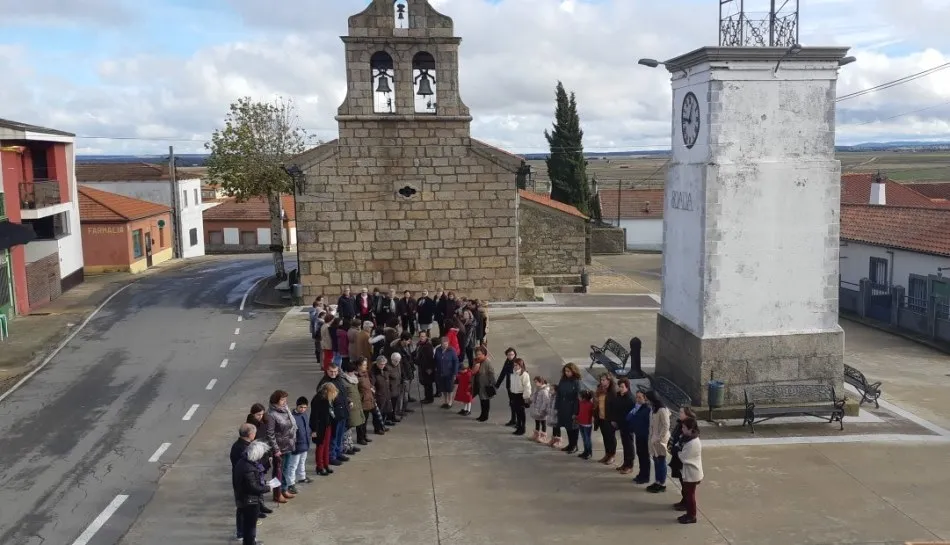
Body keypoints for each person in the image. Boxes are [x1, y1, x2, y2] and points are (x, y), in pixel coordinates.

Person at [233, 439, 274, 545]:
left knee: (248, 526)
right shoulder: (249, 468)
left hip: (244, 498)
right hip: (250, 501)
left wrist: (264, 482)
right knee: (250, 526)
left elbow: (251, 481)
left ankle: (250, 542)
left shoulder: (243, 462)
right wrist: (268, 488)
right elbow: (254, 487)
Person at [264, 390, 297, 503]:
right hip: (280, 447)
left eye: (285, 399)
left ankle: (284, 489)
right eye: (282, 399)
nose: (284, 402)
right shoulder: (271, 414)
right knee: (278, 471)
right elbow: (270, 434)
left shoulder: (285, 409)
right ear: (276, 400)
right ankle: (277, 494)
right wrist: (276, 449)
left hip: (288, 444)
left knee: (286, 469)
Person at [230, 423, 257, 541]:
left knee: (243, 508)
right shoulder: (242, 448)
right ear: (250, 434)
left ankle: (244, 533)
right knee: (242, 508)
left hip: (243, 481)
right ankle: (242, 533)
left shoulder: (241, 445)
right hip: (242, 483)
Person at [676, 417, 703, 524]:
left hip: (692, 473)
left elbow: (684, 457)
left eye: (684, 427)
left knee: (690, 495)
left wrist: (677, 451)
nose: (682, 429)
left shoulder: (693, 443)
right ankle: (689, 513)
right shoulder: (687, 438)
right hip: (689, 472)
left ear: (691, 429)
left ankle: (692, 516)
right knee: (688, 493)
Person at [645, 390, 672, 493]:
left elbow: (666, 426)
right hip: (653, 439)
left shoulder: (662, 410)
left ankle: (662, 483)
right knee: (656, 461)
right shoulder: (653, 409)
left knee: (661, 461)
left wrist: (660, 438)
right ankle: (657, 481)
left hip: (660, 440)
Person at [552, 363, 582, 453]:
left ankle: (574, 445)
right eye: (565, 371)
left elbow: (577, 398)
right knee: (567, 426)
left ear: (573, 371)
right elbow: (559, 394)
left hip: (572, 407)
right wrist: (557, 406)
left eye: (568, 371)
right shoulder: (563, 380)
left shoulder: (576, 382)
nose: (566, 373)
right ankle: (570, 444)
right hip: (563, 406)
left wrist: (576, 411)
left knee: (573, 427)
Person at [309, 383, 338, 477]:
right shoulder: (318, 399)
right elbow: (314, 416)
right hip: (320, 427)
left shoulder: (327, 399)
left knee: (326, 446)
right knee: (320, 447)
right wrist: (314, 430)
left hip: (327, 425)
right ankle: (320, 467)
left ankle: (326, 464)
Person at [668, 406, 697, 497]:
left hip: (682, 457)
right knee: (681, 480)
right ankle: (683, 499)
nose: (679, 414)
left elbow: (684, 442)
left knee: (685, 482)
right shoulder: (680, 423)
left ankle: (686, 502)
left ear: (687, 415)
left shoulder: (689, 427)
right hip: (677, 455)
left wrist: (676, 449)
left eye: (681, 412)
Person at [287, 397, 312, 495]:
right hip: (297, 446)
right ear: (297, 406)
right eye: (301, 407)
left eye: (305, 407)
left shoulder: (304, 415)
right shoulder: (292, 417)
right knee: (293, 465)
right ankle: (290, 484)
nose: (303, 409)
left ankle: (302, 477)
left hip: (305, 443)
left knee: (302, 462)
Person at [611, 378, 636, 474]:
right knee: (625, 445)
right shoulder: (618, 396)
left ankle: (630, 465)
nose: (620, 388)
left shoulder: (630, 399)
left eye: (622, 387)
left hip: (628, 426)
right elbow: (615, 408)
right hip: (621, 424)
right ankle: (625, 463)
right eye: (619, 386)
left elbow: (632, 414)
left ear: (627, 387)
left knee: (629, 445)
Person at [627, 389, 652, 484]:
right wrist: (634, 410)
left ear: (645, 398)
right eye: (636, 397)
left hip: (645, 436)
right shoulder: (638, 407)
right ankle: (641, 473)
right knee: (640, 455)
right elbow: (628, 418)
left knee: (645, 457)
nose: (637, 399)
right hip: (638, 434)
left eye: (639, 397)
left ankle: (645, 476)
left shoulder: (648, 409)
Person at [341, 361, 367, 451]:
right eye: (350, 371)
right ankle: (346, 447)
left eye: (353, 371)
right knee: (347, 428)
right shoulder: (343, 380)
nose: (352, 373)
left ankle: (350, 445)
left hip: (356, 406)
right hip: (349, 407)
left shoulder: (354, 378)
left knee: (350, 428)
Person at [594, 374, 618, 465]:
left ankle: (612, 455)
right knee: (605, 437)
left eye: (604, 380)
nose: (602, 382)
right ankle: (607, 454)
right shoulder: (600, 390)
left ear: (609, 381)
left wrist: (614, 420)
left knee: (611, 438)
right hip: (601, 418)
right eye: (601, 380)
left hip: (609, 419)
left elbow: (615, 407)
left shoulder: (613, 392)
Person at [354, 357, 377, 444]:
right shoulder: (357, 376)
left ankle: (364, 436)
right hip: (362, 401)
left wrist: (371, 387)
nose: (366, 366)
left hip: (368, 399)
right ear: (359, 366)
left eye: (366, 364)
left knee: (365, 420)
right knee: (361, 421)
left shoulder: (365, 373)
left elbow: (368, 383)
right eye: (364, 365)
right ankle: (360, 438)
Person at [471, 346, 496, 422]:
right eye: (477, 354)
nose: (478, 356)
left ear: (484, 354)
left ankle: (485, 416)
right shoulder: (476, 361)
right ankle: (482, 415)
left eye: (479, 354)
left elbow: (491, 373)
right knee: (482, 400)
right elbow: (473, 371)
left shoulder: (487, 362)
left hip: (485, 385)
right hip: (478, 384)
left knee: (485, 401)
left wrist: (493, 383)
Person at [495, 348, 518, 428]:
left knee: (516, 404)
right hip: (509, 386)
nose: (510, 356)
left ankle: (518, 422)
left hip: (516, 387)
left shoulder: (516, 363)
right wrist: (497, 385)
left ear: (515, 354)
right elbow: (503, 373)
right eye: (508, 355)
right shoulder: (507, 361)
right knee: (512, 403)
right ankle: (513, 419)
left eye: (512, 354)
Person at [509, 358, 532, 436]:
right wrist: (511, 393)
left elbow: (527, 387)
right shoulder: (513, 373)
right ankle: (518, 427)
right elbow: (512, 384)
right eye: (514, 365)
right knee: (517, 412)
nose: (515, 367)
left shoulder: (524, 374)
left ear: (521, 365)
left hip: (521, 395)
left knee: (521, 412)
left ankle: (522, 428)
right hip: (514, 394)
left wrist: (526, 397)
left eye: (516, 365)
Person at [435, 336, 460, 409]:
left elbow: (456, 362)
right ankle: (445, 401)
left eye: (446, 343)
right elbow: (435, 360)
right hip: (440, 372)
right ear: (441, 343)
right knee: (443, 388)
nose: (445, 345)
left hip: (450, 373)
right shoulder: (438, 350)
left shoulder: (452, 350)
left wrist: (455, 373)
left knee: (450, 388)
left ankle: (450, 401)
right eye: (444, 343)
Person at [370, 356, 394, 428]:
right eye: (381, 364)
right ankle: (377, 428)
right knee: (378, 413)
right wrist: (374, 394)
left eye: (384, 364)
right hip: (379, 396)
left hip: (386, 394)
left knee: (384, 412)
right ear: (377, 363)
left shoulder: (385, 370)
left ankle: (382, 426)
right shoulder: (373, 372)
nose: (382, 366)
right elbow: (372, 385)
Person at [416, 330, 436, 404]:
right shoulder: (420, 344)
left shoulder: (428, 346)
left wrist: (429, 369)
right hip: (423, 368)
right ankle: (427, 397)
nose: (422, 338)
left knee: (428, 384)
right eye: (421, 336)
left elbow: (429, 359)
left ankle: (429, 398)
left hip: (427, 369)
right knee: (426, 384)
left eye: (423, 336)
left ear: (426, 336)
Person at [529, 376, 552, 443]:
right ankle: (536, 434)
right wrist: (530, 399)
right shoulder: (537, 389)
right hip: (536, 409)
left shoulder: (544, 390)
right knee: (537, 422)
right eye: (535, 382)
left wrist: (542, 409)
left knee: (543, 422)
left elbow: (546, 401)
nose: (535, 383)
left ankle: (543, 436)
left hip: (542, 410)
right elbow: (534, 397)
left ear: (541, 382)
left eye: (536, 382)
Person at [577, 389, 595, 460]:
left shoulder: (590, 404)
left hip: (587, 424)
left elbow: (591, 414)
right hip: (581, 423)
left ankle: (589, 453)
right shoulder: (581, 403)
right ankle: (585, 451)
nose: (578, 397)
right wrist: (577, 418)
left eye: (580, 396)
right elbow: (580, 412)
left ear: (583, 397)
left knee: (587, 439)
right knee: (584, 439)